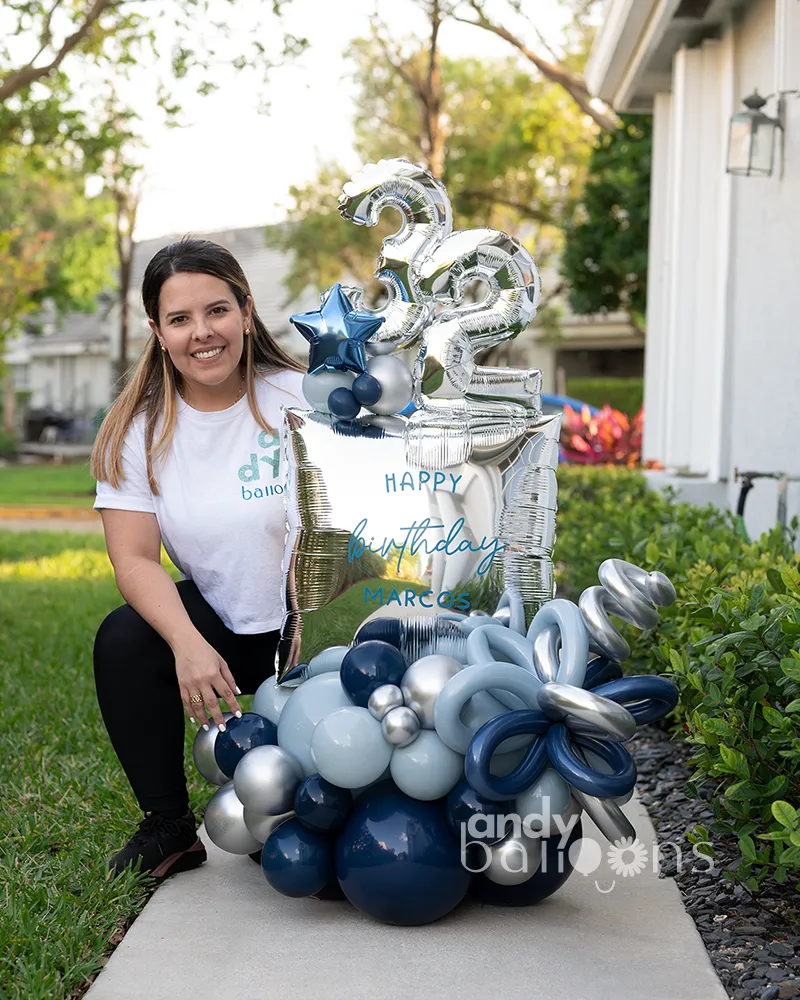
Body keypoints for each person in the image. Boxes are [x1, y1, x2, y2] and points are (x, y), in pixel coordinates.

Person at [91, 237, 306, 880]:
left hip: (325, 627)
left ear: (246, 311)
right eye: (180, 319)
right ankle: (170, 828)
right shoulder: (137, 431)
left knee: (294, 834)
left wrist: (322, 624)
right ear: (158, 333)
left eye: (216, 311)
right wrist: (187, 645)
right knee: (125, 640)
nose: (202, 333)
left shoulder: (305, 398)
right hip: (229, 629)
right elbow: (135, 559)